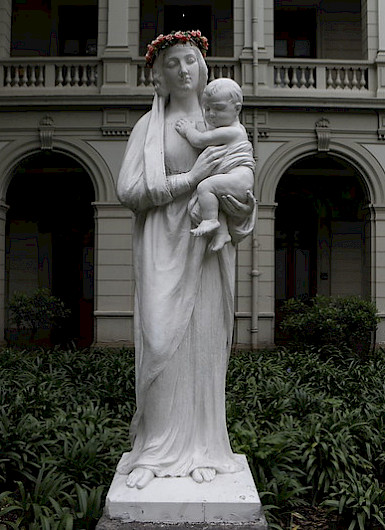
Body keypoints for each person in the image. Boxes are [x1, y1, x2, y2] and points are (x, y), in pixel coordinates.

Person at [116, 30, 256, 490]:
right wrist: (190, 179)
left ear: (203, 68)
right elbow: (129, 191)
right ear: (159, 74)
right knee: (161, 341)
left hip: (206, 243)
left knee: (202, 343)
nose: (183, 69)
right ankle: (154, 450)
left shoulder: (222, 120)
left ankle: (203, 447)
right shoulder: (147, 128)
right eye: (173, 62)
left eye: (190, 59)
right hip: (161, 242)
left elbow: (244, 188)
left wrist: (230, 200)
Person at [175, 77, 255, 252]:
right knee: (214, 198)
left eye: (218, 108)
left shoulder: (231, 131)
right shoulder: (227, 128)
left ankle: (210, 220)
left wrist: (187, 129)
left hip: (239, 179)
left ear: (237, 109)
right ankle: (221, 233)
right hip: (236, 179)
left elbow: (199, 140)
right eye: (207, 108)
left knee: (206, 187)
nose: (211, 114)